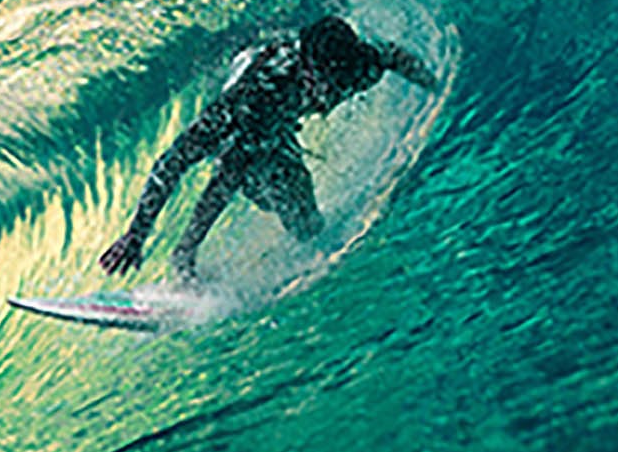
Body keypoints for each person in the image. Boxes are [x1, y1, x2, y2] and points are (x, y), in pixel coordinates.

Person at [99, 16, 438, 281]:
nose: (326, 95)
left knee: (307, 226)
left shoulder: (360, 63)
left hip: (279, 118)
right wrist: (136, 235)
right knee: (244, 167)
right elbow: (176, 160)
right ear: (306, 67)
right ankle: (182, 257)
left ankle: (194, 251)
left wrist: (436, 91)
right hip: (251, 85)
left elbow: (394, 56)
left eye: (334, 85)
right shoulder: (259, 95)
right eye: (319, 82)